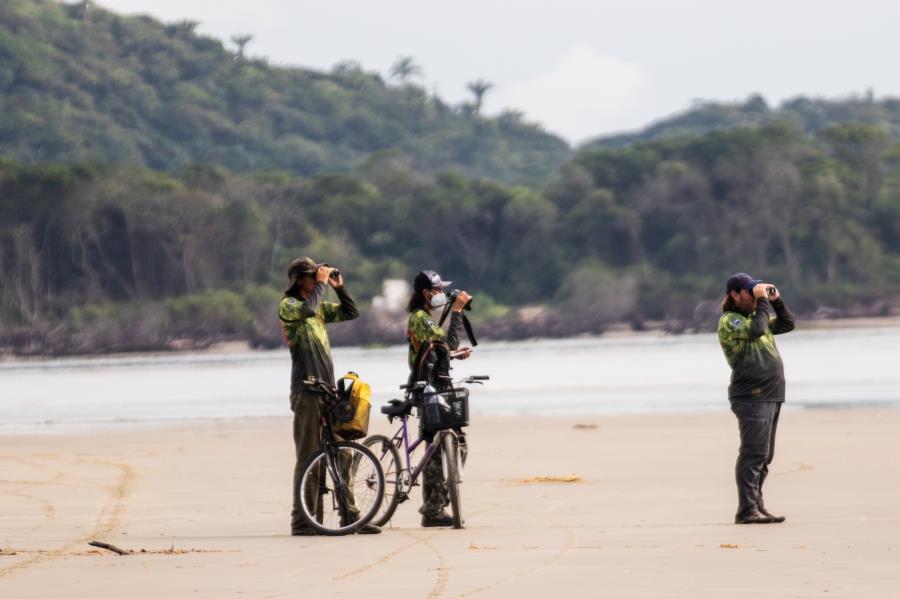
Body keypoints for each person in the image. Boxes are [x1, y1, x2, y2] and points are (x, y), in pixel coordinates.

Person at [278, 256, 380, 535]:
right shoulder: (290, 306)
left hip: (326, 390)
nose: (317, 278)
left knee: (343, 454)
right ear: (301, 280)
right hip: (306, 391)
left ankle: (351, 517)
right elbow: (307, 310)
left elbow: (351, 312)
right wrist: (321, 285)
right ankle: (302, 520)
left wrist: (338, 286)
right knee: (308, 455)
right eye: (313, 276)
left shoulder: (318, 306)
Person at [717, 272, 795, 524]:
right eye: (750, 293)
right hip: (751, 395)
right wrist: (763, 303)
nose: (754, 297)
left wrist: (776, 301)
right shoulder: (731, 321)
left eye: (756, 293)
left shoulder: (754, 316)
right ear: (735, 295)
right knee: (753, 454)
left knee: (765, 455)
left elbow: (787, 324)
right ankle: (746, 510)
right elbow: (758, 329)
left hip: (771, 393)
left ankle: (757, 505)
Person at [406, 270, 472, 527]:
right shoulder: (420, 318)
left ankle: (435, 506)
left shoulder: (424, 319)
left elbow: (441, 349)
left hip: (439, 384)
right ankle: (434, 508)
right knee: (437, 449)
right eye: (437, 291)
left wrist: (454, 354)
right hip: (428, 388)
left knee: (449, 444)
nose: (441, 295)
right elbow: (447, 342)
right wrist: (456, 312)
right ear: (426, 294)